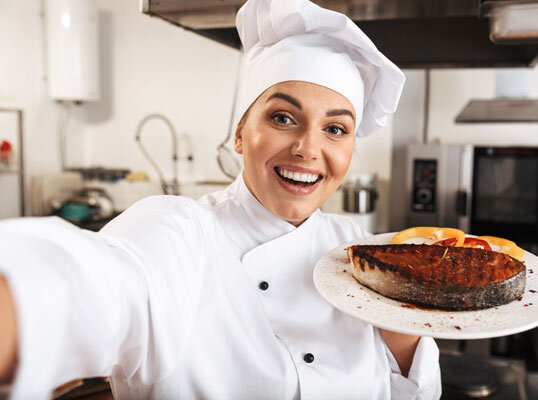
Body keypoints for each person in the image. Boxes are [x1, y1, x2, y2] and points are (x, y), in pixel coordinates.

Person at [0, 0, 442, 398]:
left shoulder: (362, 253)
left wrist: (403, 318)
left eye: (336, 129)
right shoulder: (180, 232)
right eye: (283, 117)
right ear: (239, 134)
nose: (308, 149)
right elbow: (88, 286)